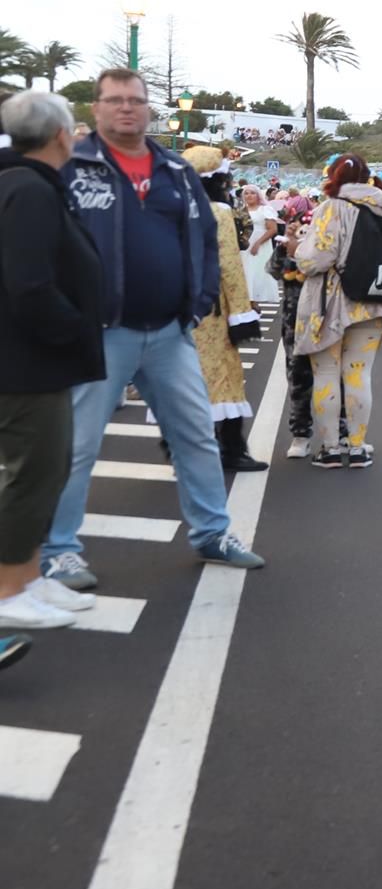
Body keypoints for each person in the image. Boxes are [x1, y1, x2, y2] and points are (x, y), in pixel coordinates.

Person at [41, 69, 263, 590]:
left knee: (196, 437)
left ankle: (212, 533)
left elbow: (205, 240)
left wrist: (199, 302)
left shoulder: (176, 171)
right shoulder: (71, 167)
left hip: (169, 332)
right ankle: (59, 551)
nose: (126, 108)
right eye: (115, 100)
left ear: (148, 109)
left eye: (135, 100)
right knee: (77, 446)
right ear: (96, 108)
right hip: (100, 333)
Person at [0, 91, 105, 630]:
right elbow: (29, 284)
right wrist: (76, 329)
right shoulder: (28, 189)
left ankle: (29, 576)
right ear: (62, 135)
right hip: (27, 364)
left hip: (37, 361)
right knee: (33, 476)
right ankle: (7, 589)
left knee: (48, 470)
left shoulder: (30, 184)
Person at [294, 154, 382, 469]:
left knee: (326, 374)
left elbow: (315, 260)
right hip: (374, 302)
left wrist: (297, 251)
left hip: (332, 304)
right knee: (359, 374)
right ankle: (357, 447)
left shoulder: (331, 208)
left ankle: (329, 448)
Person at [184, 147, 269, 472]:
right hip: (212, 310)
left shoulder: (169, 207)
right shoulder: (219, 213)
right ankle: (231, 450)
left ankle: (185, 451)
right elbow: (229, 268)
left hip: (179, 309)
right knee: (223, 378)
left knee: (185, 381)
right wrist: (242, 314)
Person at [271, 195, 318, 459]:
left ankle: (341, 432)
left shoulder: (324, 248)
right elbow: (273, 270)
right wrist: (287, 246)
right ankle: (300, 434)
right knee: (298, 378)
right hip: (294, 322)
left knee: (334, 378)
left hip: (324, 318)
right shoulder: (286, 244)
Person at [241, 186, 281, 303]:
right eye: (246, 193)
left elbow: (273, 229)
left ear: (258, 196)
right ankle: (249, 300)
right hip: (244, 245)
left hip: (261, 245)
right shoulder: (241, 211)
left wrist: (258, 243)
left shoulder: (265, 210)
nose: (249, 196)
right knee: (246, 272)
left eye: (252, 193)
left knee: (257, 272)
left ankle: (255, 300)